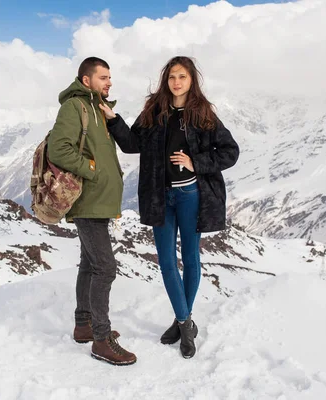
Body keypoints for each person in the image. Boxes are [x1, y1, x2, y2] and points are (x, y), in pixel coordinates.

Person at [99, 56, 239, 359]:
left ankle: (180, 321)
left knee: (190, 258)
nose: (176, 82)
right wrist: (113, 119)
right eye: (172, 77)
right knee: (165, 261)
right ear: (166, 80)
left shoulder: (203, 115)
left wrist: (195, 162)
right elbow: (132, 144)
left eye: (182, 77)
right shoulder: (154, 111)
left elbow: (230, 152)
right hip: (160, 196)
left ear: (192, 81)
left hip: (191, 195)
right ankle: (186, 322)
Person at [47, 57, 137, 366]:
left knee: (89, 264)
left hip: (99, 201)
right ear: (87, 80)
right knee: (105, 268)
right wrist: (92, 169)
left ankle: (83, 324)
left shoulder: (98, 108)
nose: (109, 82)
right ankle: (101, 339)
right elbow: (58, 148)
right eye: (103, 77)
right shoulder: (75, 107)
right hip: (87, 200)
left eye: (110, 77)